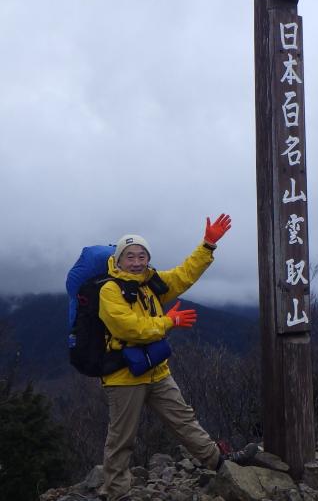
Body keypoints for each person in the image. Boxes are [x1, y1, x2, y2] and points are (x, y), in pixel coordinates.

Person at [98, 214, 257, 501]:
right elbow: (129, 328)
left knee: (185, 420)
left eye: (141, 255)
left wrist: (208, 245)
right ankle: (115, 492)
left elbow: (185, 274)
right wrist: (168, 322)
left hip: (156, 370)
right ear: (118, 260)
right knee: (122, 438)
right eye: (129, 256)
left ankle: (221, 465)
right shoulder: (109, 290)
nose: (136, 261)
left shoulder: (152, 283)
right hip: (123, 375)